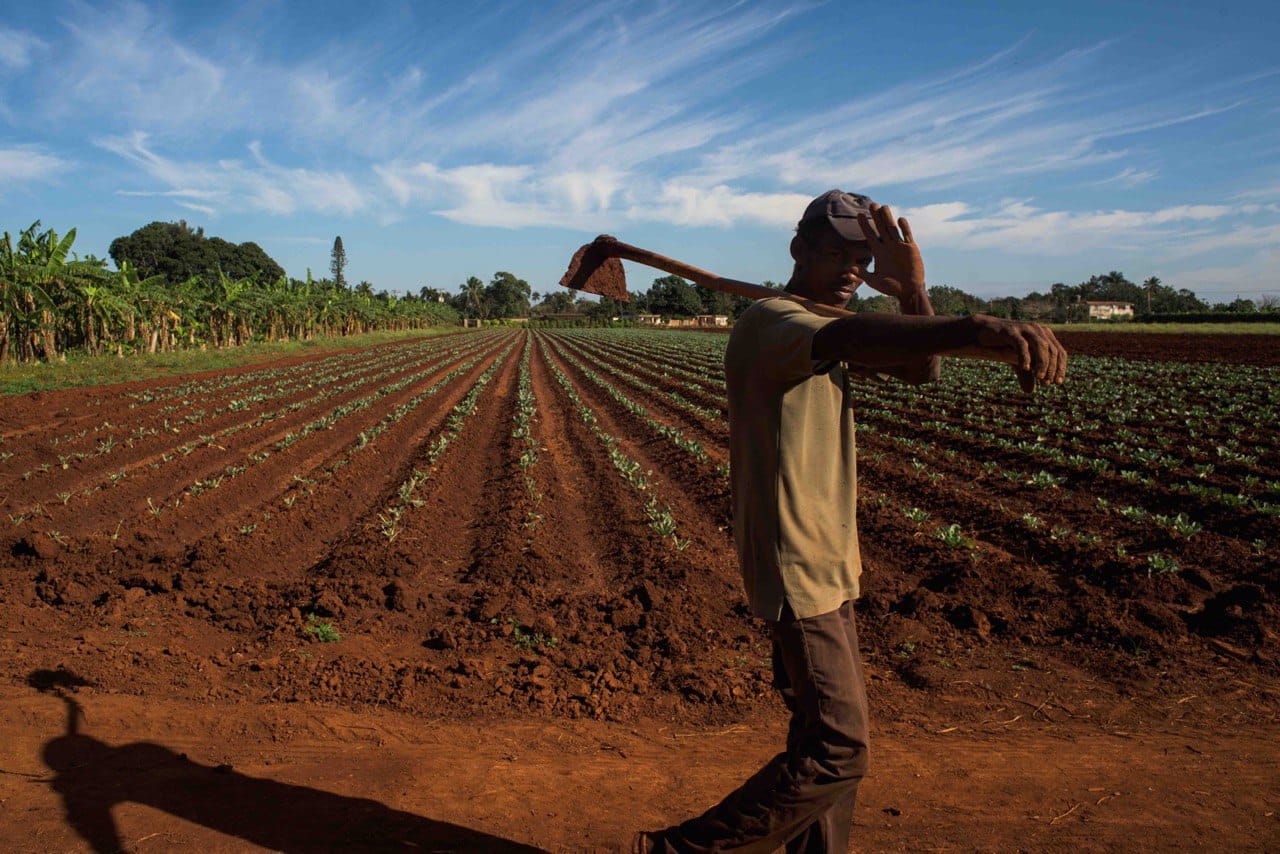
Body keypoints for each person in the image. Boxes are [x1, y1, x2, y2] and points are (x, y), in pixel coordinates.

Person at [634, 190, 1066, 853]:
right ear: (798, 249)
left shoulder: (817, 319)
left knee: (818, 742)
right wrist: (973, 324)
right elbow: (853, 336)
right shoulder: (774, 322)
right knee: (840, 750)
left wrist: (913, 292)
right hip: (798, 564)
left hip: (831, 562)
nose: (851, 271)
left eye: (862, 260)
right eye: (837, 253)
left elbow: (918, 369)